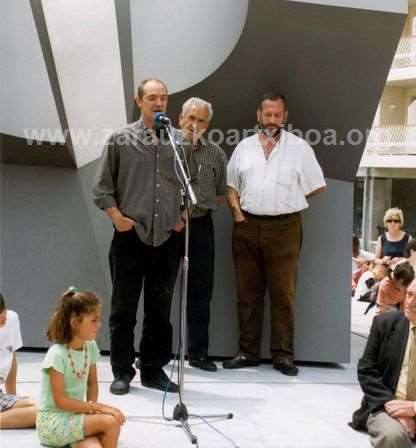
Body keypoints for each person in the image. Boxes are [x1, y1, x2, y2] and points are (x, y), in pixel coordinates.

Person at [93, 78, 198, 395]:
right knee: (123, 309)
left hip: (167, 238)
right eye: (152, 97)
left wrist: (182, 218)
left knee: (160, 310)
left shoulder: (180, 142)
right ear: (138, 101)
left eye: (163, 98)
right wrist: (116, 218)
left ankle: (153, 371)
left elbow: (193, 188)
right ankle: (122, 371)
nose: (158, 103)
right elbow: (102, 187)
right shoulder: (121, 139)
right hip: (130, 237)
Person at [224, 92, 326, 376]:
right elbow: (231, 184)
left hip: (285, 227)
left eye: (277, 115)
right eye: (267, 114)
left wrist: (288, 198)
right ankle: (247, 353)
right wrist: (236, 213)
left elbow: (317, 186)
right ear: (258, 115)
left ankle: (283, 356)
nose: (271, 120)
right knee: (247, 294)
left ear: (285, 117)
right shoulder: (243, 147)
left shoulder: (300, 148)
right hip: (246, 226)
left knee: (283, 294)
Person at [37, 288, 125, 448]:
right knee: (111, 422)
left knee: (100, 439)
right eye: (93, 320)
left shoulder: (90, 347)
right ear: (75, 322)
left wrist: (92, 412)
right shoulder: (56, 354)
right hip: (52, 422)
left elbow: (92, 384)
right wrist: (98, 408)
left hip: (75, 417)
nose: (99, 325)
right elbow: (60, 401)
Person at [178, 97, 227, 372]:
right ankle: (154, 353)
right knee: (159, 290)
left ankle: (198, 353)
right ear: (180, 118)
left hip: (200, 226)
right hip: (167, 226)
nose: (194, 125)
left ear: (208, 125)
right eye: (190, 118)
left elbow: (220, 194)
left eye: (201, 120)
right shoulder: (164, 148)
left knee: (200, 290)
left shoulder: (216, 154)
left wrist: (197, 207)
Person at [351, 278, 416, 447]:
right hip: (385, 405)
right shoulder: (385, 323)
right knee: (393, 437)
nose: (411, 302)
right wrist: (394, 409)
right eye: (409, 294)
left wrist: (414, 409)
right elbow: (366, 369)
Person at [0, 293, 36, 429]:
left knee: (41, 405)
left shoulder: (11, 318)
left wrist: (12, 397)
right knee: (40, 412)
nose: (3, 317)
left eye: (3, 310)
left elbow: (10, 358)